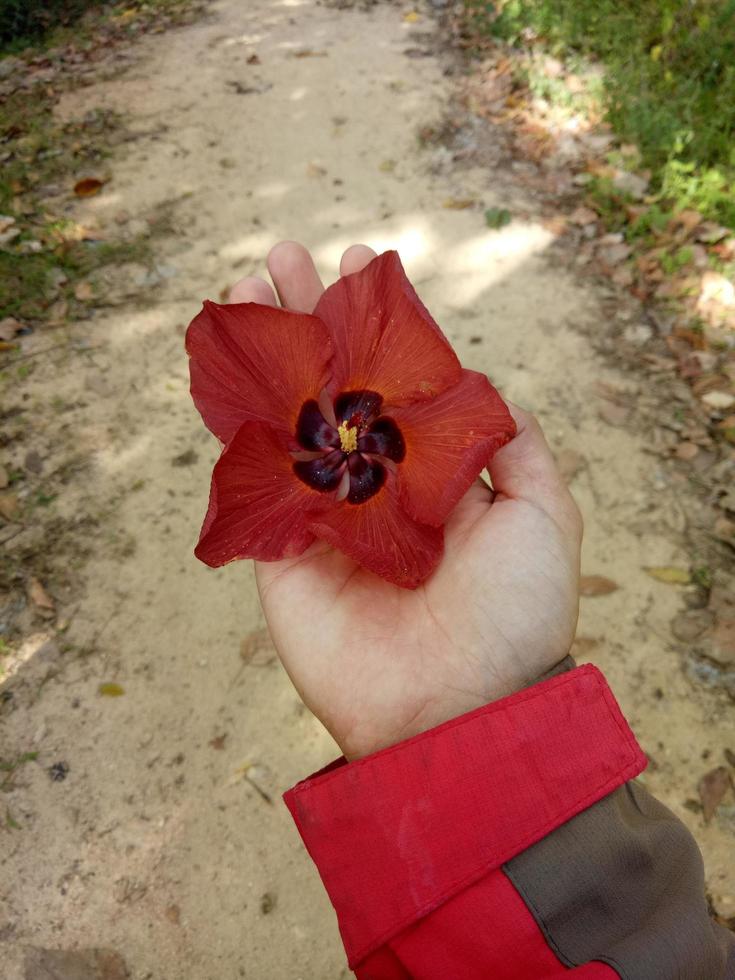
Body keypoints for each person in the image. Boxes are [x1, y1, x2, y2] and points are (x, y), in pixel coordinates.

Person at [226, 241, 735, 979]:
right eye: (339, 433)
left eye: (351, 429)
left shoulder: (387, 444)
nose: (343, 435)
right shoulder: (316, 454)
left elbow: (463, 427)